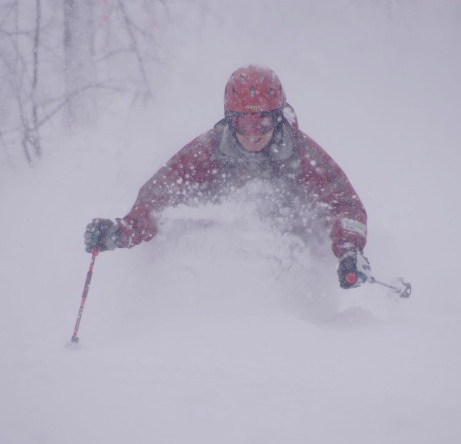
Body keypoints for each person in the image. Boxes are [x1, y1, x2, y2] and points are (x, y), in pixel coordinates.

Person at [84, 65, 372, 289]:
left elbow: (344, 204)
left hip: (289, 246)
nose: (253, 134)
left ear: (278, 118)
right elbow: (158, 198)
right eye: (243, 123)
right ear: (228, 119)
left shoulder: (302, 154)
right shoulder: (207, 152)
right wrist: (121, 231)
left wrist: (349, 251)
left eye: (263, 122)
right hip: (222, 255)